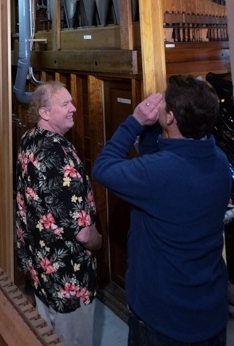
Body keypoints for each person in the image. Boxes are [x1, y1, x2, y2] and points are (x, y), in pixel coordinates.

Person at [93, 75, 232, 346]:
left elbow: (103, 167)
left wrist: (134, 121)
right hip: (208, 311)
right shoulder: (218, 161)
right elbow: (160, 160)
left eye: (163, 103)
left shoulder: (157, 174)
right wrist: (157, 127)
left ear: (170, 118)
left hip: (163, 321)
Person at [15, 80, 102, 346]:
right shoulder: (57, 154)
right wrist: (98, 242)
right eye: (65, 104)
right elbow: (83, 231)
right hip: (68, 280)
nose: (74, 108)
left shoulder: (29, 139)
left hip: (41, 271)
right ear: (44, 112)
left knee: (47, 335)